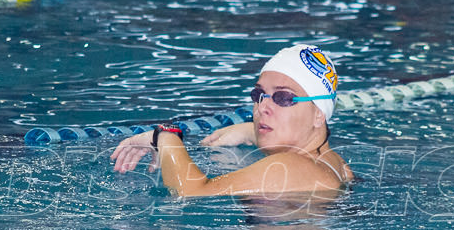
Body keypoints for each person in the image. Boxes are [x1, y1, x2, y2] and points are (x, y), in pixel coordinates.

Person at [110, 44, 353, 197]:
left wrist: (164, 137)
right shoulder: (336, 165)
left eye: (283, 97)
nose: (262, 108)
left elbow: (189, 192)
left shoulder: (289, 166)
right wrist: (251, 131)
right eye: (258, 95)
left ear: (319, 113)